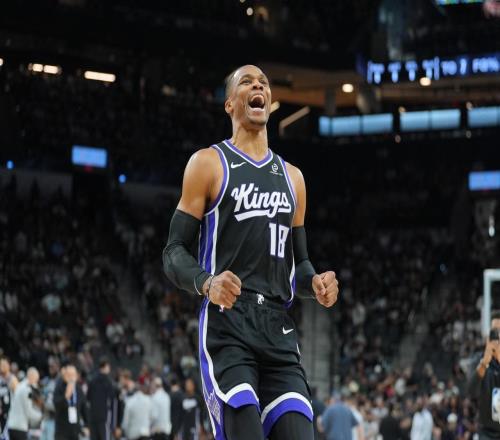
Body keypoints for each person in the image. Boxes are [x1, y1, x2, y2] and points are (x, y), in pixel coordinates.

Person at [163, 64, 339, 440]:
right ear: (230, 103)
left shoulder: (293, 178)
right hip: (228, 324)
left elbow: (300, 265)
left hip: (277, 326)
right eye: (247, 82)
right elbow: (173, 251)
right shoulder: (208, 163)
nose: (258, 86)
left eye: (263, 83)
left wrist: (316, 283)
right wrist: (207, 282)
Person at [468, 312, 500, 440]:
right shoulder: (478, 360)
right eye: (495, 331)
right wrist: (484, 363)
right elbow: (471, 392)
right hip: (487, 433)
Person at [53, 364, 88, 440]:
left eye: (73, 375)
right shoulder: (59, 387)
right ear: (64, 376)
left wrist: (87, 425)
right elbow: (56, 404)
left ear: (76, 376)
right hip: (62, 430)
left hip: (75, 430)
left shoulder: (79, 389)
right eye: (68, 375)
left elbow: (84, 408)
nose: (71, 377)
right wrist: (66, 396)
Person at [7, 367, 43, 440]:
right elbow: (28, 411)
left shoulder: (19, 386)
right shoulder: (27, 389)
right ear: (32, 377)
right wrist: (40, 416)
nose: (36, 383)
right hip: (20, 427)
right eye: (36, 380)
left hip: (11, 425)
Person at [87, 357, 117, 440]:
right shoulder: (108, 382)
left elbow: (88, 398)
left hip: (93, 416)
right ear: (106, 366)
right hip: (104, 416)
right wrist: (114, 423)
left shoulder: (92, 380)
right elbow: (112, 401)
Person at [40, 358, 60, 440]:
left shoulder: (60, 382)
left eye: (53, 366)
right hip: (45, 417)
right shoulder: (46, 381)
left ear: (58, 367)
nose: (51, 369)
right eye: (50, 367)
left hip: (55, 418)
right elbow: (41, 396)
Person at [0, 355, 18, 440]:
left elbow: (18, 397)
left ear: (8, 366)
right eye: (1, 365)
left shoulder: (13, 379)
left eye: (4, 365)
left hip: (10, 415)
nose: (2, 367)